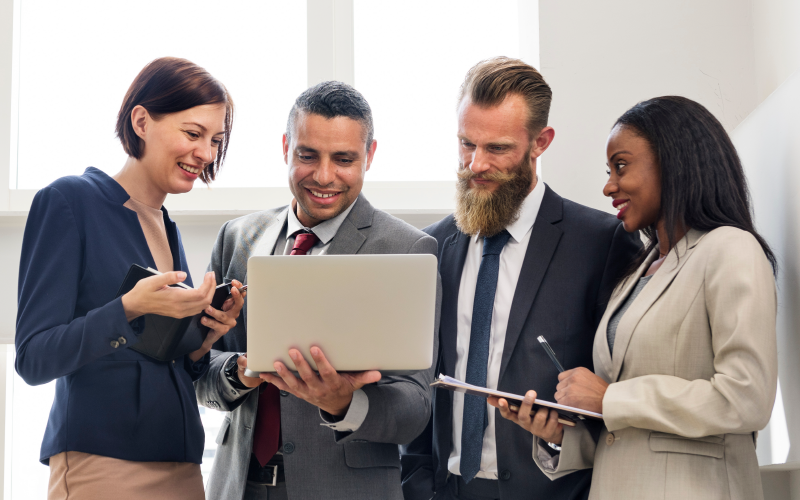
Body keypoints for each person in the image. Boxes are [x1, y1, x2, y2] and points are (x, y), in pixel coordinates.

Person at [492, 96, 778, 500]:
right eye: (608, 171)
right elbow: (628, 431)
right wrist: (558, 435)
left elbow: (746, 398)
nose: (609, 186)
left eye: (621, 166)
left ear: (674, 162)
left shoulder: (730, 250)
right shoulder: (639, 270)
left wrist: (610, 397)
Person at [400, 57, 642, 500]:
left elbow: (625, 388)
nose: (475, 164)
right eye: (465, 143)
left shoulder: (604, 244)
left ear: (540, 142)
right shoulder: (430, 247)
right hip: (442, 489)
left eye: (497, 148)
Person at [194, 81, 441, 500]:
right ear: (286, 146)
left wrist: (345, 402)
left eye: (343, 159)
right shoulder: (237, 237)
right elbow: (199, 371)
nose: (324, 176)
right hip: (238, 487)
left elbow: (416, 406)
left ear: (370, 155)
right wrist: (241, 371)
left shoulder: (408, 249)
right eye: (307, 156)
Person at [15, 57, 242, 500]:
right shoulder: (70, 201)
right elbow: (33, 357)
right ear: (141, 120)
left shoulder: (164, 224)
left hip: (180, 461)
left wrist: (202, 339)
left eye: (215, 140)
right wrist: (129, 307)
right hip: (105, 464)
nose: (207, 154)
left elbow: (160, 360)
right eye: (193, 134)